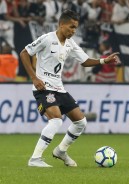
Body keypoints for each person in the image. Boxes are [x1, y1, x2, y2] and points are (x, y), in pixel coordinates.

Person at [20, 10, 119, 167]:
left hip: (59, 88)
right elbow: (24, 53)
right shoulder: (47, 39)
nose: (73, 31)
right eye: (71, 27)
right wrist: (34, 77)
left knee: (81, 122)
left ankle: (61, 151)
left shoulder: (70, 44)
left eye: (75, 28)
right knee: (56, 121)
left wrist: (103, 61)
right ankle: (35, 159)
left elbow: (85, 61)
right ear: (61, 24)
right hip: (44, 88)